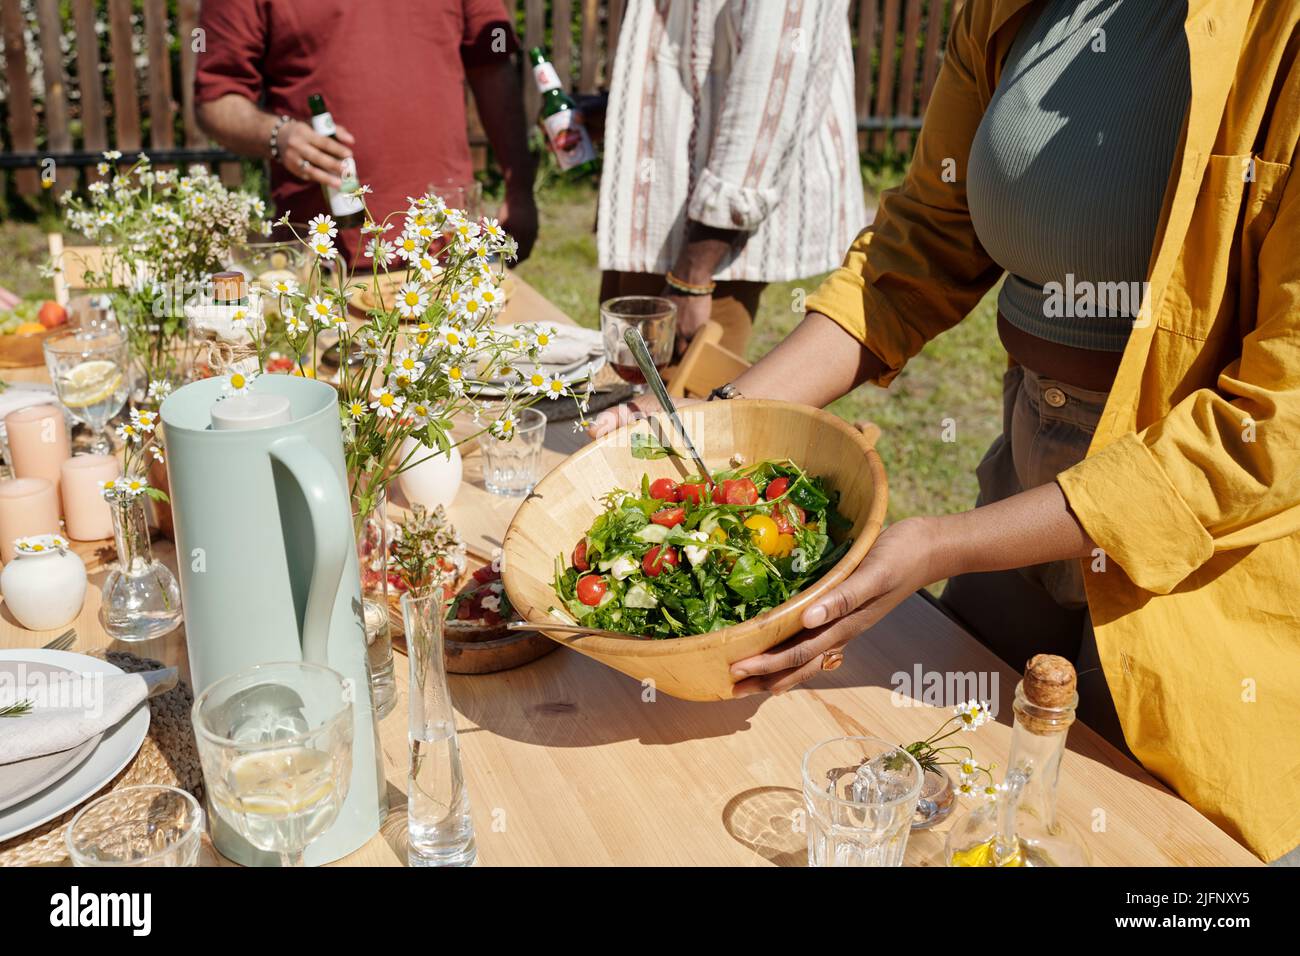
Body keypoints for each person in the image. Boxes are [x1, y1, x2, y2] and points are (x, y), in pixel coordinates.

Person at [592, 0, 1300, 863]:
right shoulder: (1010, 10)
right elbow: (917, 249)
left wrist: (939, 546)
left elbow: (1271, 427)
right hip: (1024, 484)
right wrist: (722, 422)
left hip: (1209, 556)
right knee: (961, 807)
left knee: (1140, 847)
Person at [596, 0, 865, 356]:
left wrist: (694, 274)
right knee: (620, 382)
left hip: (705, 248)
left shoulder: (697, 266)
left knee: (673, 404)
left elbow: (770, 87)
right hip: (663, 217)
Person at [194, 0, 537, 263]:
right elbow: (216, 99)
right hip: (328, 256)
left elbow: (493, 64)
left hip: (449, 246)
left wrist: (519, 188)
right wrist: (279, 135)